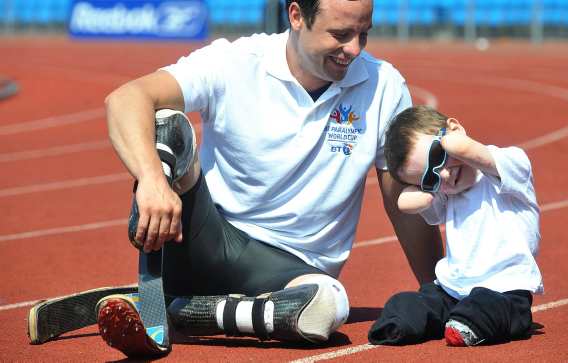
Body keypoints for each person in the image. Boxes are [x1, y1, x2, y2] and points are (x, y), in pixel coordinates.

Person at [98, 0, 443, 357]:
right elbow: (126, 98)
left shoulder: (383, 87)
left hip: (294, 276)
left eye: (364, 34)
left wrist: (439, 290)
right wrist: (152, 179)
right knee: (168, 125)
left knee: (329, 305)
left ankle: (185, 312)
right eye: (341, 35)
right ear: (296, 16)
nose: (353, 49)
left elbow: (401, 202)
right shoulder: (235, 62)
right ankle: (167, 286)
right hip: (207, 239)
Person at [368, 105, 544, 347]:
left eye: (438, 156)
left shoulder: (505, 166)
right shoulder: (445, 191)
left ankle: (468, 323)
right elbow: (408, 199)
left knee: (488, 307)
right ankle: (400, 325)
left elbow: (470, 150)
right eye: (430, 178)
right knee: (412, 302)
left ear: (454, 129)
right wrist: (425, 189)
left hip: (505, 288)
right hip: (454, 289)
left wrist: (452, 142)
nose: (445, 175)